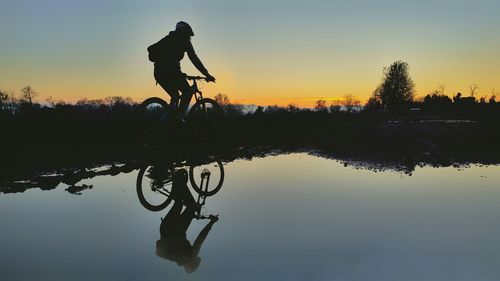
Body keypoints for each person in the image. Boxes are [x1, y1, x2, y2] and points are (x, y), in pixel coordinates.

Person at [156, 169, 218, 273]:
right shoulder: (176, 259)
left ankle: (179, 180)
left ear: (194, 262)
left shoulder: (190, 257)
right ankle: (176, 180)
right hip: (164, 229)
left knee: (192, 206)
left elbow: (200, 239)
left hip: (175, 232)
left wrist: (211, 222)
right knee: (178, 203)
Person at [151, 21, 216, 118]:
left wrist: (180, 73)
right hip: (170, 73)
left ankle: (170, 120)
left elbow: (170, 60)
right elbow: (193, 58)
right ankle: (179, 119)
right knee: (187, 92)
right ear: (185, 33)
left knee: (175, 96)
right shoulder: (184, 40)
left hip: (159, 73)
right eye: (189, 36)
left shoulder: (169, 38)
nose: (189, 38)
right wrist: (207, 74)